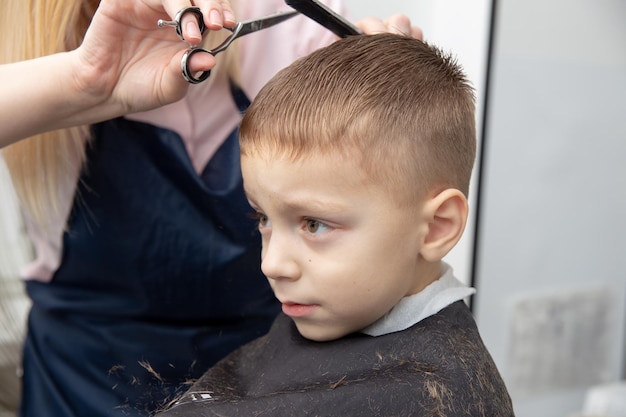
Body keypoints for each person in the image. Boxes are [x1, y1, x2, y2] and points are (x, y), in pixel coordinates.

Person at [0, 0, 421, 416]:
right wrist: (82, 80)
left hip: (259, 385)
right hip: (79, 389)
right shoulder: (37, 42)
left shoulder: (296, 27)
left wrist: (393, 102)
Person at [155, 34, 515, 416]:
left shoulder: (437, 396)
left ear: (437, 227)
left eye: (314, 225)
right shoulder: (340, 307)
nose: (272, 264)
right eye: (263, 218)